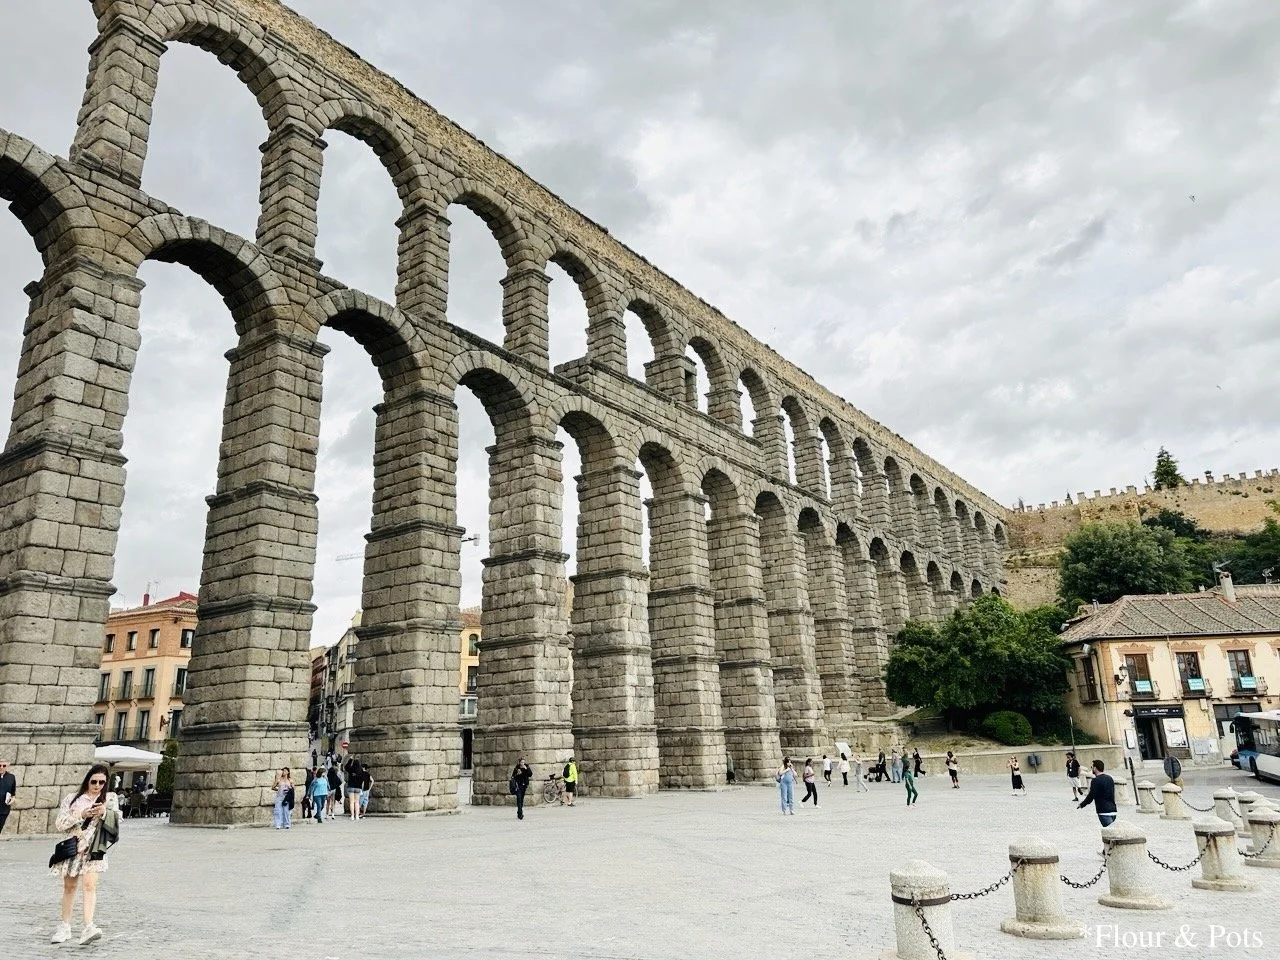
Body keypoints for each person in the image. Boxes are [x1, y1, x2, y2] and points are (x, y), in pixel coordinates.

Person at [50, 763, 119, 945]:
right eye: (94, 781)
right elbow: (60, 824)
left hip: (95, 849)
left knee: (89, 886)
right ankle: (64, 926)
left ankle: (89, 926)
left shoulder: (110, 799)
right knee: (69, 887)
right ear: (87, 781)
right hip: (74, 847)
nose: (97, 785)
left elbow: (117, 823)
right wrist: (81, 814)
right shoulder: (72, 799)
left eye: (102, 782)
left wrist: (104, 813)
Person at [1077, 759, 1117, 827]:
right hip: (1113, 810)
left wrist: (1082, 804)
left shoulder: (1095, 781)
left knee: (1110, 833)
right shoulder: (1109, 778)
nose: (1091, 769)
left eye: (1092, 767)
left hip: (1103, 811)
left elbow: (1091, 796)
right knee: (1111, 830)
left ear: (1095, 768)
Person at [344, 756, 364, 821]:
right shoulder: (360, 770)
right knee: (357, 802)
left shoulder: (351, 769)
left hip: (351, 787)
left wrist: (350, 760)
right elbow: (362, 779)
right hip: (358, 787)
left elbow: (346, 767)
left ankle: (352, 816)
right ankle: (357, 816)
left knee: (351, 802)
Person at [0, 759, 16, 834]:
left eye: (4, 766)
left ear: (7, 766)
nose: (1, 767)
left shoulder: (11, 777)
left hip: (4, 810)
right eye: (0, 765)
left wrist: (12, 800)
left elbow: (13, 794)